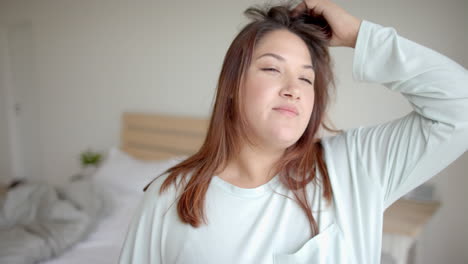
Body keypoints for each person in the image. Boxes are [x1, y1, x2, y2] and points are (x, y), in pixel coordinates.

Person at [119, 0, 468, 263]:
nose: (293, 89)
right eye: (272, 69)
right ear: (230, 85)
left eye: (306, 77)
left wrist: (360, 36)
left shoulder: (355, 167)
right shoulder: (168, 199)